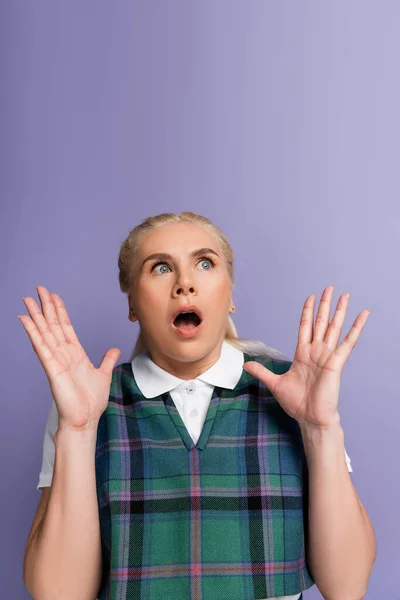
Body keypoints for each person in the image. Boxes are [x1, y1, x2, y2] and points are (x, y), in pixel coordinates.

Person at [22, 211, 369, 600]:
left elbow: (348, 587)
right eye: (160, 268)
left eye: (204, 263)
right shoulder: (88, 400)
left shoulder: (293, 391)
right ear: (133, 303)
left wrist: (320, 428)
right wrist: (78, 431)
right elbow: (58, 593)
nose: (185, 283)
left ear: (231, 295)